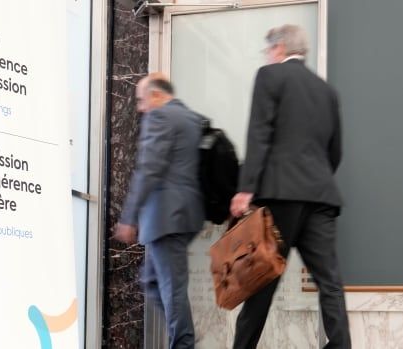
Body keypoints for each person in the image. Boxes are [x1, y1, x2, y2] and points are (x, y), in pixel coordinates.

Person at [230, 25, 351, 348]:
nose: (268, 56)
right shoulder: (327, 91)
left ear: (279, 48)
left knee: (263, 280)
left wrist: (246, 189)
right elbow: (335, 151)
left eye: (269, 50)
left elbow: (259, 134)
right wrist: (316, 181)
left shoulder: (269, 76)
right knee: (330, 283)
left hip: (282, 194)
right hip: (321, 197)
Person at [114, 72, 204, 349]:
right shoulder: (190, 118)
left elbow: (148, 169)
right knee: (152, 281)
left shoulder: (160, 116)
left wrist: (129, 217)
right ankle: (185, 335)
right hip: (185, 214)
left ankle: (184, 342)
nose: (140, 108)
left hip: (166, 216)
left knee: (170, 288)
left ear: (155, 95)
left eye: (141, 100)